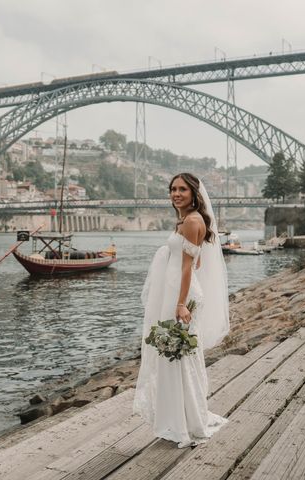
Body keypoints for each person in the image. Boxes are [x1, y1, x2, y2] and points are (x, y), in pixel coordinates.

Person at [133, 173, 230, 447]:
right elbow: (195, 263)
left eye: (182, 189)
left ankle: (181, 422)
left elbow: (188, 267)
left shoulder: (191, 221)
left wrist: (180, 303)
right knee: (179, 355)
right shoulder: (189, 220)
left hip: (179, 296)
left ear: (193, 193)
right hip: (178, 290)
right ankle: (182, 417)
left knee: (178, 356)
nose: (176, 194)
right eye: (173, 189)